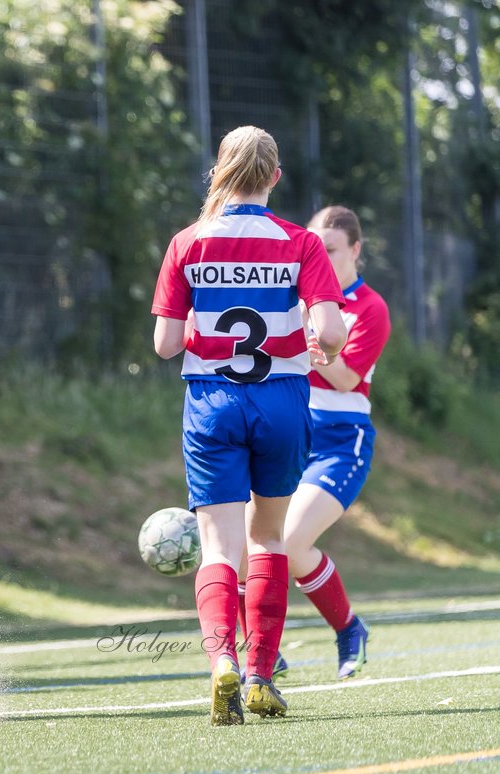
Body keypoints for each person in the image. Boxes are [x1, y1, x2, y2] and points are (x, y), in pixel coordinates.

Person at [152, 126, 347, 726]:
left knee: (218, 547)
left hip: (212, 404)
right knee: (268, 539)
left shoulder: (188, 242)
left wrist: (204, 331)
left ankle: (221, 667)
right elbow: (334, 333)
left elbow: (163, 345)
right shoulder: (299, 243)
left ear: (219, 174)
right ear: (275, 177)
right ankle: (261, 672)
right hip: (283, 403)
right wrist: (320, 344)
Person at [245, 206, 389, 680]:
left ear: (355, 250)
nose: (321, 259)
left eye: (330, 250)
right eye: (315, 250)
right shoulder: (293, 295)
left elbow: (346, 377)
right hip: (289, 433)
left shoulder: (368, 307)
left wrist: (308, 338)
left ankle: (348, 630)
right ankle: (269, 650)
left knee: (290, 539)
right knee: (250, 543)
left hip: (339, 443)